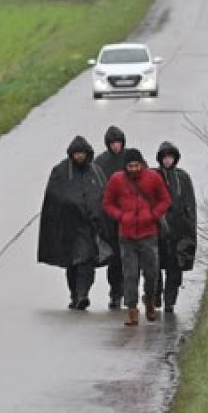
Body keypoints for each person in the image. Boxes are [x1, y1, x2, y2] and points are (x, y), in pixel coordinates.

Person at [37, 136, 114, 310]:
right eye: (76, 153)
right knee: (72, 262)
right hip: (67, 226)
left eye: (82, 153)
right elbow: (53, 199)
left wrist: (101, 219)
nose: (79, 157)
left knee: (86, 260)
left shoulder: (96, 171)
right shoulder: (60, 172)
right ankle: (74, 294)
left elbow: (103, 194)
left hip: (88, 227)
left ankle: (83, 294)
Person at [102, 148, 171, 326]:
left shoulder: (153, 178)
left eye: (136, 165)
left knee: (151, 272)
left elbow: (165, 200)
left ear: (142, 164)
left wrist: (153, 215)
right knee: (130, 274)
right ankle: (132, 309)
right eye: (130, 166)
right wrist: (120, 216)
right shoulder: (117, 180)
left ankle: (149, 301)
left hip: (149, 234)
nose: (133, 169)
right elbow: (107, 203)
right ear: (125, 166)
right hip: (126, 235)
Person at [153, 141, 197, 314]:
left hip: (178, 230)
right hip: (157, 229)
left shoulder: (183, 178)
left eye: (171, 157)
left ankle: (170, 300)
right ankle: (155, 295)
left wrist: (189, 227)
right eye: (165, 157)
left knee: (175, 267)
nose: (168, 160)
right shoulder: (154, 176)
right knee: (154, 266)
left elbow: (189, 204)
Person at [93, 125, 129, 309]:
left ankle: (128, 291)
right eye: (113, 143)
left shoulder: (131, 158)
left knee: (129, 256)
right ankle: (115, 292)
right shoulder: (100, 162)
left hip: (130, 217)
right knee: (114, 257)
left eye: (119, 142)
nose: (116, 146)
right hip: (109, 218)